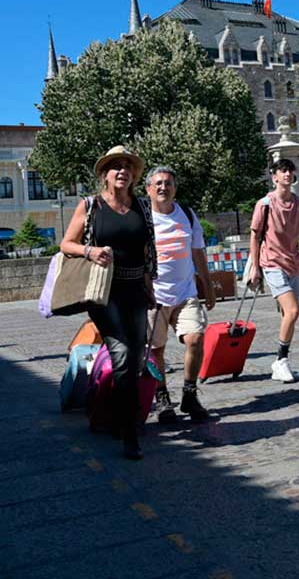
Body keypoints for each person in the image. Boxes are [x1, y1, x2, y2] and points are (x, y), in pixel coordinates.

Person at [60, 145, 157, 460]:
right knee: (123, 356)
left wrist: (149, 285)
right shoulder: (90, 205)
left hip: (135, 291)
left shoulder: (142, 206)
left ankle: (119, 416)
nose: (122, 171)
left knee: (137, 357)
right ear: (105, 174)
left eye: (127, 167)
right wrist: (90, 251)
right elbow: (66, 243)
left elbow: (147, 251)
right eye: (116, 166)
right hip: (104, 292)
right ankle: (128, 432)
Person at [144, 166, 214, 424]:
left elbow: (198, 254)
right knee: (156, 349)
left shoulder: (187, 214)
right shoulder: (143, 218)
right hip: (155, 295)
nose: (164, 187)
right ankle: (162, 398)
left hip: (186, 293)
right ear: (148, 189)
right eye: (158, 183)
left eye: (169, 183)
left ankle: (189, 393)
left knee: (195, 339)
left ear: (175, 187)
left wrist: (208, 285)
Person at [245, 159, 299, 383]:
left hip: (294, 264)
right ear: (274, 176)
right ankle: (280, 360)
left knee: (288, 315)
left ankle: (281, 362)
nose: (288, 174)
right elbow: (255, 236)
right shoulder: (265, 204)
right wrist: (256, 269)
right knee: (293, 311)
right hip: (272, 263)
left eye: (290, 170)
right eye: (283, 170)